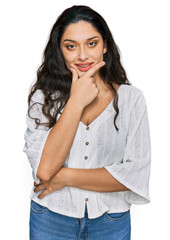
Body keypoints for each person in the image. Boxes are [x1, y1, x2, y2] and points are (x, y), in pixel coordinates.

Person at [23, 5, 151, 240]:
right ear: (60, 51)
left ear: (104, 46)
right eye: (71, 46)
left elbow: (135, 175)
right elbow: (44, 170)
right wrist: (76, 101)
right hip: (51, 217)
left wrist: (65, 177)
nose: (82, 55)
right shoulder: (43, 98)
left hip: (111, 220)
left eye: (91, 43)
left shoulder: (132, 100)